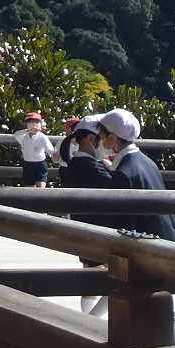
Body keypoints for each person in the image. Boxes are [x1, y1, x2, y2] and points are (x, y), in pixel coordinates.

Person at [100, 107, 175, 255]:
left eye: (101, 135)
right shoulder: (147, 162)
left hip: (155, 255)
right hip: (171, 245)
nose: (99, 139)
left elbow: (125, 228)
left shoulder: (124, 173)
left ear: (112, 139)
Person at [58, 116, 117, 314]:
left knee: (91, 279)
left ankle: (89, 319)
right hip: (101, 231)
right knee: (116, 279)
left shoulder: (72, 165)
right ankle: (91, 321)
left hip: (83, 228)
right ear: (92, 140)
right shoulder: (94, 169)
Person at [13, 110, 54, 185]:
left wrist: (55, 155)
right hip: (27, 164)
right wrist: (27, 131)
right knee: (29, 186)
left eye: (37, 122)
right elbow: (16, 135)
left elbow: (50, 149)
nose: (34, 125)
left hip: (40, 164)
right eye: (30, 122)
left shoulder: (42, 137)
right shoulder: (23, 137)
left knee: (41, 186)